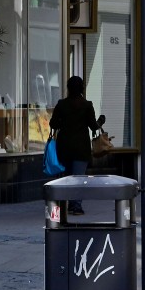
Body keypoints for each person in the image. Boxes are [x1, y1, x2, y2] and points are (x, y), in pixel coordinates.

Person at [49, 76, 103, 215]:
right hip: (81, 148)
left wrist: (64, 123)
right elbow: (93, 126)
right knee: (79, 177)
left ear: (68, 88)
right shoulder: (87, 105)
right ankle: (76, 206)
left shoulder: (61, 104)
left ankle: (60, 205)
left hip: (64, 147)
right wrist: (101, 121)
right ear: (82, 88)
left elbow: (53, 124)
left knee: (64, 178)